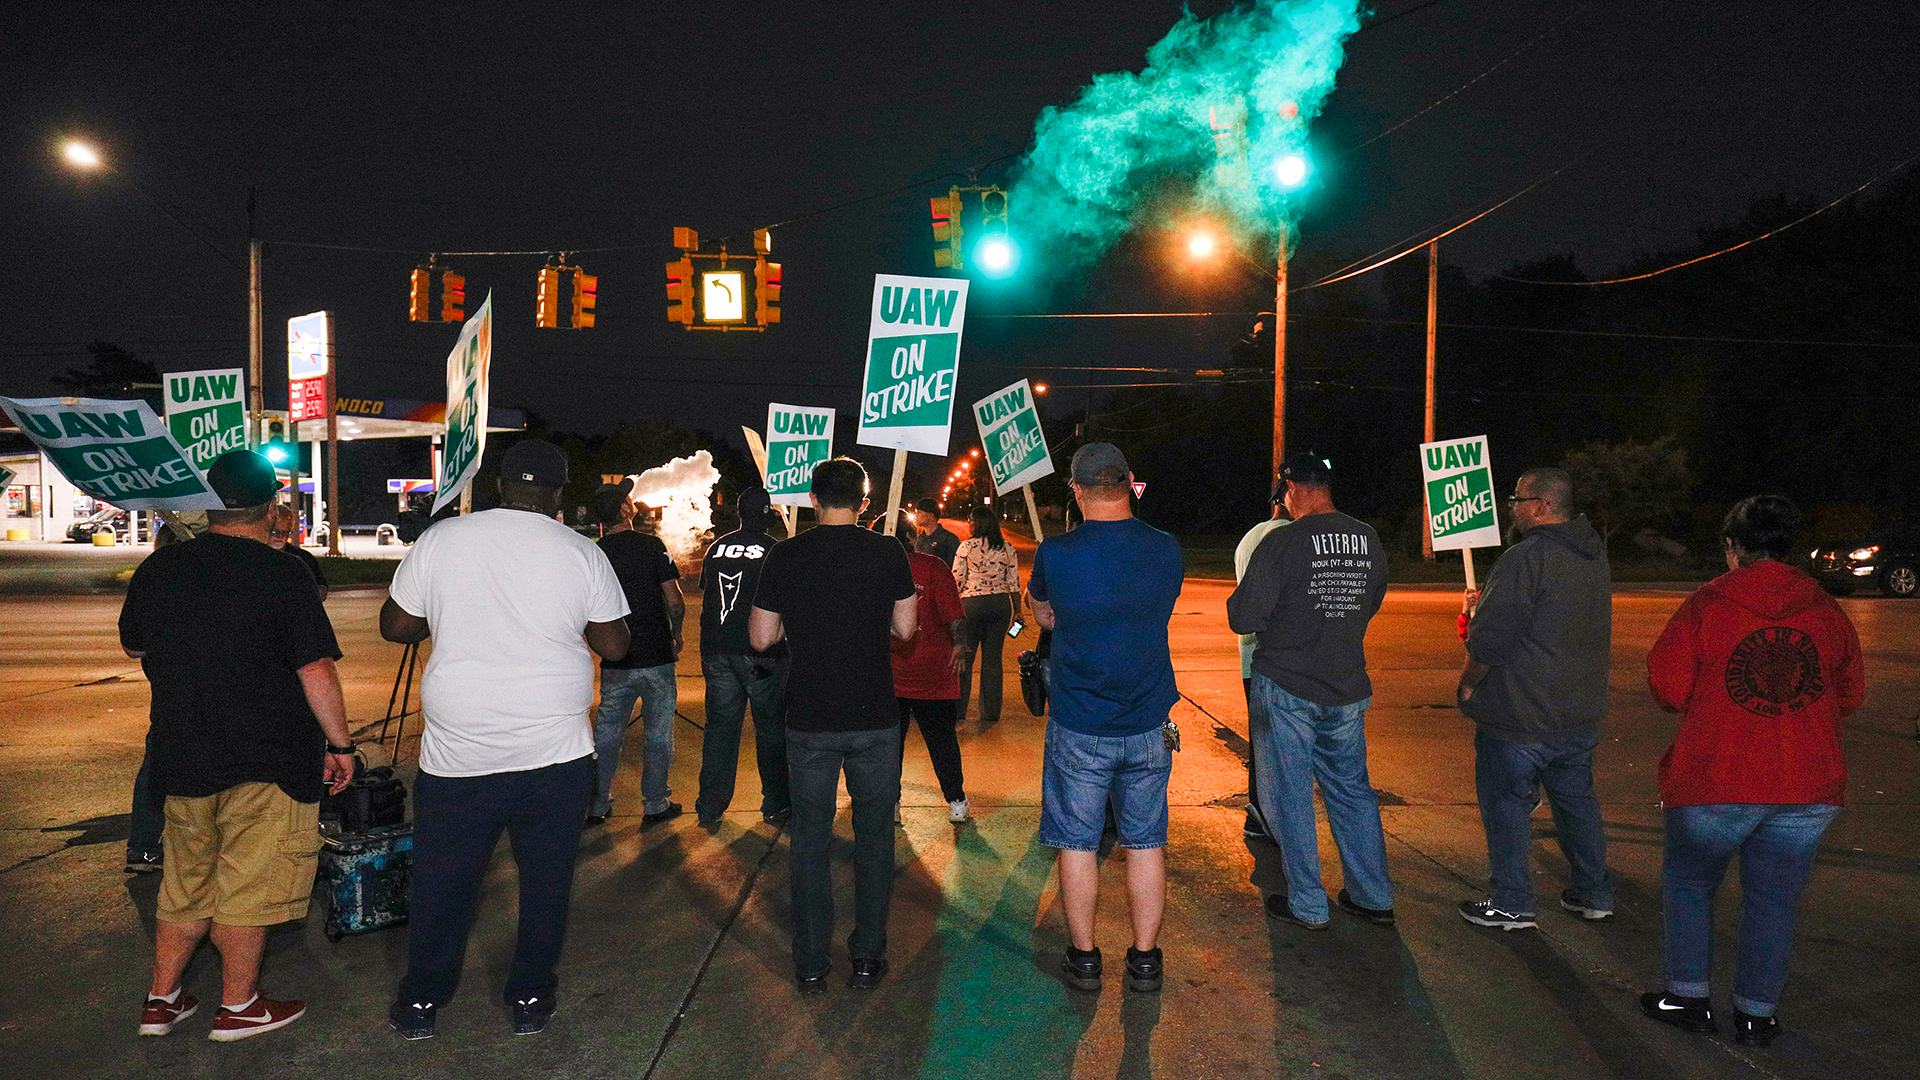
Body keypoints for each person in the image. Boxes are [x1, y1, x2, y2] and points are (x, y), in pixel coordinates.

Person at [380, 439, 632, 1040]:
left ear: (498, 486)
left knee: (443, 882)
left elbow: (397, 626)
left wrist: (453, 605)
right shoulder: (581, 551)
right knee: (546, 883)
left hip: (457, 755)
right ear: (558, 492)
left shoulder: (442, 539)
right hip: (555, 755)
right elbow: (615, 645)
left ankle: (421, 1002)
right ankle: (530, 997)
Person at [120, 449, 355, 1042]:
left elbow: (135, 645)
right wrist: (341, 744)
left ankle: (162, 1000)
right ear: (272, 506)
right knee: (251, 884)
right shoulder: (285, 573)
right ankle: (240, 1005)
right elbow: (315, 669)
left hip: (181, 754)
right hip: (268, 758)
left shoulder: (161, 568)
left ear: (207, 504)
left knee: (184, 883)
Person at [1639, 495, 1864, 1047]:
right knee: (1774, 901)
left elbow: (1668, 688)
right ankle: (1756, 1014)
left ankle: (1689, 998)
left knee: (1691, 884)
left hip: (1717, 776)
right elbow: (1850, 696)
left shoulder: (1707, 605)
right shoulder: (1826, 610)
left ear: (1732, 547)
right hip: (1806, 783)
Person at [748, 457, 917, 995]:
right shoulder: (887, 551)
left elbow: (761, 637)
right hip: (874, 716)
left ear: (814, 499)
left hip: (810, 717)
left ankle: (811, 963)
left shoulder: (785, 554)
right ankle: (867, 956)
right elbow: (906, 628)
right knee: (874, 839)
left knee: (810, 840)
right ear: (864, 503)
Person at [1028, 443, 1183, 994]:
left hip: (1079, 722)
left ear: (1076, 489)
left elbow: (1043, 614)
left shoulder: (1055, 552)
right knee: (1146, 842)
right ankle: (1145, 960)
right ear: (1129, 482)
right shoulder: (1166, 548)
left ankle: (1085, 958)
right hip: (1147, 721)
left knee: (1078, 842)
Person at [1227, 454, 1392, 931]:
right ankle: (1373, 896)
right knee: (1352, 792)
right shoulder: (1367, 537)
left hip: (1287, 686)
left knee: (1290, 795)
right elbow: (1372, 600)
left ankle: (1308, 904)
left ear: (1292, 488)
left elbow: (1244, 617)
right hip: (1346, 686)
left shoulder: (1283, 542)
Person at [1456, 467, 1615, 931]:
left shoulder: (1527, 557)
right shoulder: (1592, 553)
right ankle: (1594, 892)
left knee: (1506, 806)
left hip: (1522, 712)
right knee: (1576, 803)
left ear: (1542, 505)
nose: (1512, 508)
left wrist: (1468, 683)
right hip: (1577, 710)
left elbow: (1491, 640)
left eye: (1518, 500)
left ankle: (1512, 901)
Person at [587, 477, 686, 826]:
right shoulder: (652, 545)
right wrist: (676, 634)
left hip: (616, 658)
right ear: (625, 509)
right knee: (658, 735)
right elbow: (674, 600)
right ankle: (655, 803)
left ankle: (597, 803)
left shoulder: (594, 552)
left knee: (607, 735)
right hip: (656, 656)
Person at [694, 486, 791, 825]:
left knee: (720, 729)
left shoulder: (717, 547)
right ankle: (776, 803)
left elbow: (709, 590)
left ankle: (710, 805)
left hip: (716, 648)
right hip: (759, 653)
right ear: (767, 516)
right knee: (770, 729)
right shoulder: (774, 550)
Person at [890, 531, 971, 823]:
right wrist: (960, 645)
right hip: (934, 673)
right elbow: (954, 615)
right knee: (942, 742)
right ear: (910, 536)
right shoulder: (933, 566)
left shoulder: (877, 566)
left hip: (892, 674)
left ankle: (891, 804)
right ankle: (956, 801)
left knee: (889, 746)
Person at [1231, 489, 1290, 844]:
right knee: (1282, 745)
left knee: (1260, 742)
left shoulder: (1247, 539)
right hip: (1278, 658)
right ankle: (1273, 817)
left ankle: (1258, 813)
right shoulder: (1289, 538)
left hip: (1248, 659)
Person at [953, 505, 1023, 724]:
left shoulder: (966, 547)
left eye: (971, 519)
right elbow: (1013, 581)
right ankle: (991, 712)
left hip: (972, 605)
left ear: (979, 523)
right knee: (993, 659)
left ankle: (959, 709)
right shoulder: (1007, 547)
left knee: (966, 657)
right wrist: (1018, 610)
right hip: (999, 605)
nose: (969, 523)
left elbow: (957, 581)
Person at [913, 497, 960, 567]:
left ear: (931, 515)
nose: (915, 515)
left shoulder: (949, 539)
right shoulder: (919, 538)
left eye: (919, 512)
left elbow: (955, 566)